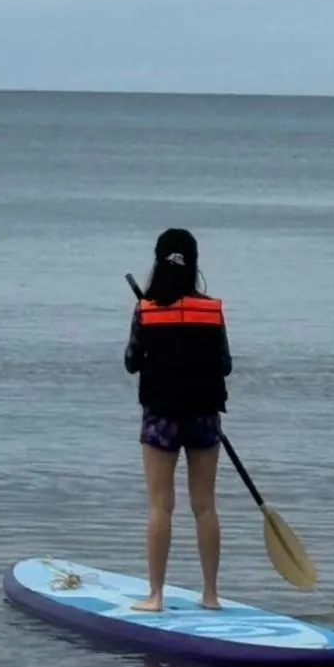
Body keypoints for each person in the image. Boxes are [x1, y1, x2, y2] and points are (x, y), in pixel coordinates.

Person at [123, 228, 232, 612]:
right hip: (203, 417)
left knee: (160, 506)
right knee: (205, 505)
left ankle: (155, 596)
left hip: (161, 418)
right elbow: (225, 365)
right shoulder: (213, 310)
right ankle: (211, 595)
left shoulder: (146, 310)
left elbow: (132, 361)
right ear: (194, 264)